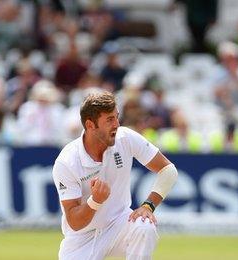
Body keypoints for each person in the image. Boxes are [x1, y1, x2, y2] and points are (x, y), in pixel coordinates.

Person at [51, 91, 178, 260]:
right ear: (90, 125)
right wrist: (95, 201)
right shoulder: (67, 161)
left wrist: (148, 206)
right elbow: (74, 222)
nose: (117, 124)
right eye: (109, 120)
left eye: (117, 117)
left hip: (120, 224)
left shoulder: (125, 137)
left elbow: (168, 170)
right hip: (82, 238)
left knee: (144, 226)